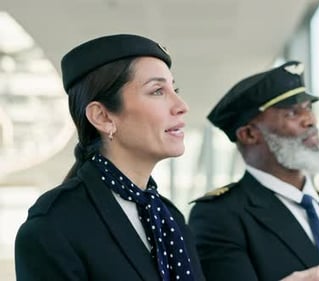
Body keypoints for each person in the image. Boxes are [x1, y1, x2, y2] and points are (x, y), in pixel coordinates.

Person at [15, 34, 205, 281]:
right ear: (103, 117)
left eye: (174, 89)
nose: (181, 105)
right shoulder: (55, 226)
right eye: (158, 91)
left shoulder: (170, 218)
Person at [188, 61, 319, 281]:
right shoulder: (220, 216)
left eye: (308, 107)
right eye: (291, 113)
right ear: (249, 134)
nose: (310, 120)